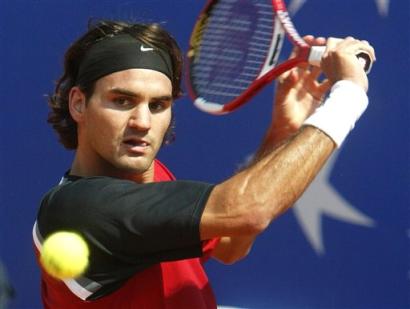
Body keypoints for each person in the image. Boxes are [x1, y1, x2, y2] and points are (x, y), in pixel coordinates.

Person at [32, 19, 375, 309]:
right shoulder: (80, 210)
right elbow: (249, 210)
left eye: (158, 105)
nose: (142, 121)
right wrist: (348, 95)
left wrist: (283, 130)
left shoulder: (147, 177)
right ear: (79, 104)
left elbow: (231, 242)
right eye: (122, 101)